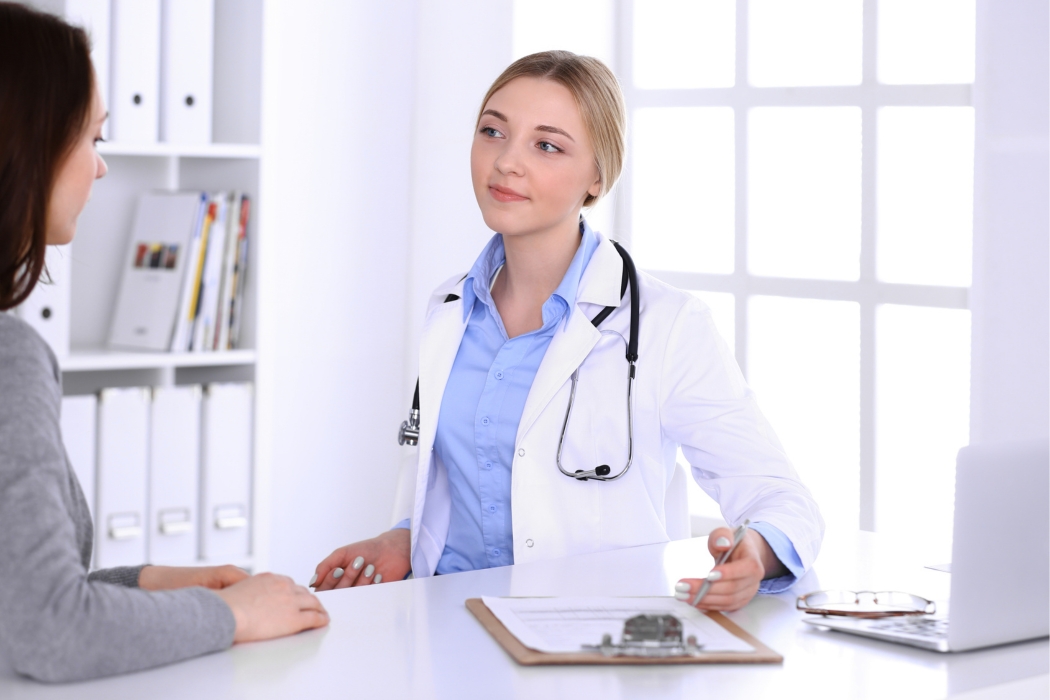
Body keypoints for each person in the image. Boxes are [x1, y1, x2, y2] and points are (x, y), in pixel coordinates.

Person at [313, 51, 823, 611]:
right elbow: (472, 491)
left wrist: (755, 553)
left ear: (598, 176)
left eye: (546, 145)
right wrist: (404, 537)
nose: (506, 162)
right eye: (492, 131)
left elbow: (780, 497)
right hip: (445, 628)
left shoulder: (667, 324)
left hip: (587, 640)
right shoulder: (450, 309)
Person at [0, 3, 327, 683]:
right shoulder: (10, 358)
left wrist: (146, 583)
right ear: (28, 144)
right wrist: (237, 616)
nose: (101, 168)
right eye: (92, 138)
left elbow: (17, 603)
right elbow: (49, 631)